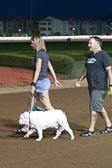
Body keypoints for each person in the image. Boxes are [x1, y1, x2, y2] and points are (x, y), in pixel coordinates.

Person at [16, 35, 61, 133]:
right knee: (31, 104)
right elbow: (50, 66)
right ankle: (27, 127)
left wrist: (33, 84)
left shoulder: (39, 55)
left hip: (40, 83)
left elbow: (38, 70)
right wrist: (55, 79)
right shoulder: (44, 54)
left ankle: (61, 125)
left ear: (36, 43)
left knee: (47, 106)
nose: (30, 44)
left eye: (32, 42)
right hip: (42, 82)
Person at [75, 36, 112, 137]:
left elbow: (109, 71)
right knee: (98, 106)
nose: (88, 45)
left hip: (99, 87)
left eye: (90, 43)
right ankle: (109, 125)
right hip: (91, 86)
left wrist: (111, 86)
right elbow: (86, 70)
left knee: (93, 108)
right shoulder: (90, 56)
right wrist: (79, 80)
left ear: (97, 44)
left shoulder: (104, 56)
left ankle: (91, 130)